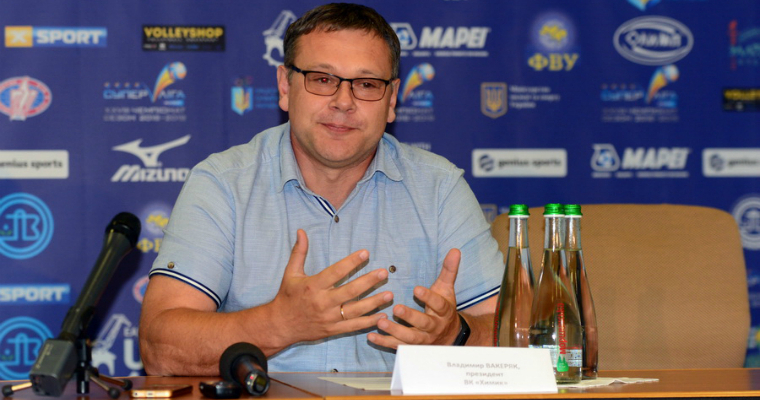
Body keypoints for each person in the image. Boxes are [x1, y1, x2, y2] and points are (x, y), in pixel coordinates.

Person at [139, 2, 503, 375]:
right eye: (322, 79)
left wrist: (456, 335)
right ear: (285, 86)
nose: (343, 102)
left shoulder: (439, 188)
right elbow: (160, 346)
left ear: (392, 99)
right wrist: (278, 324)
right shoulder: (223, 184)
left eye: (366, 84)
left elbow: (513, 334)